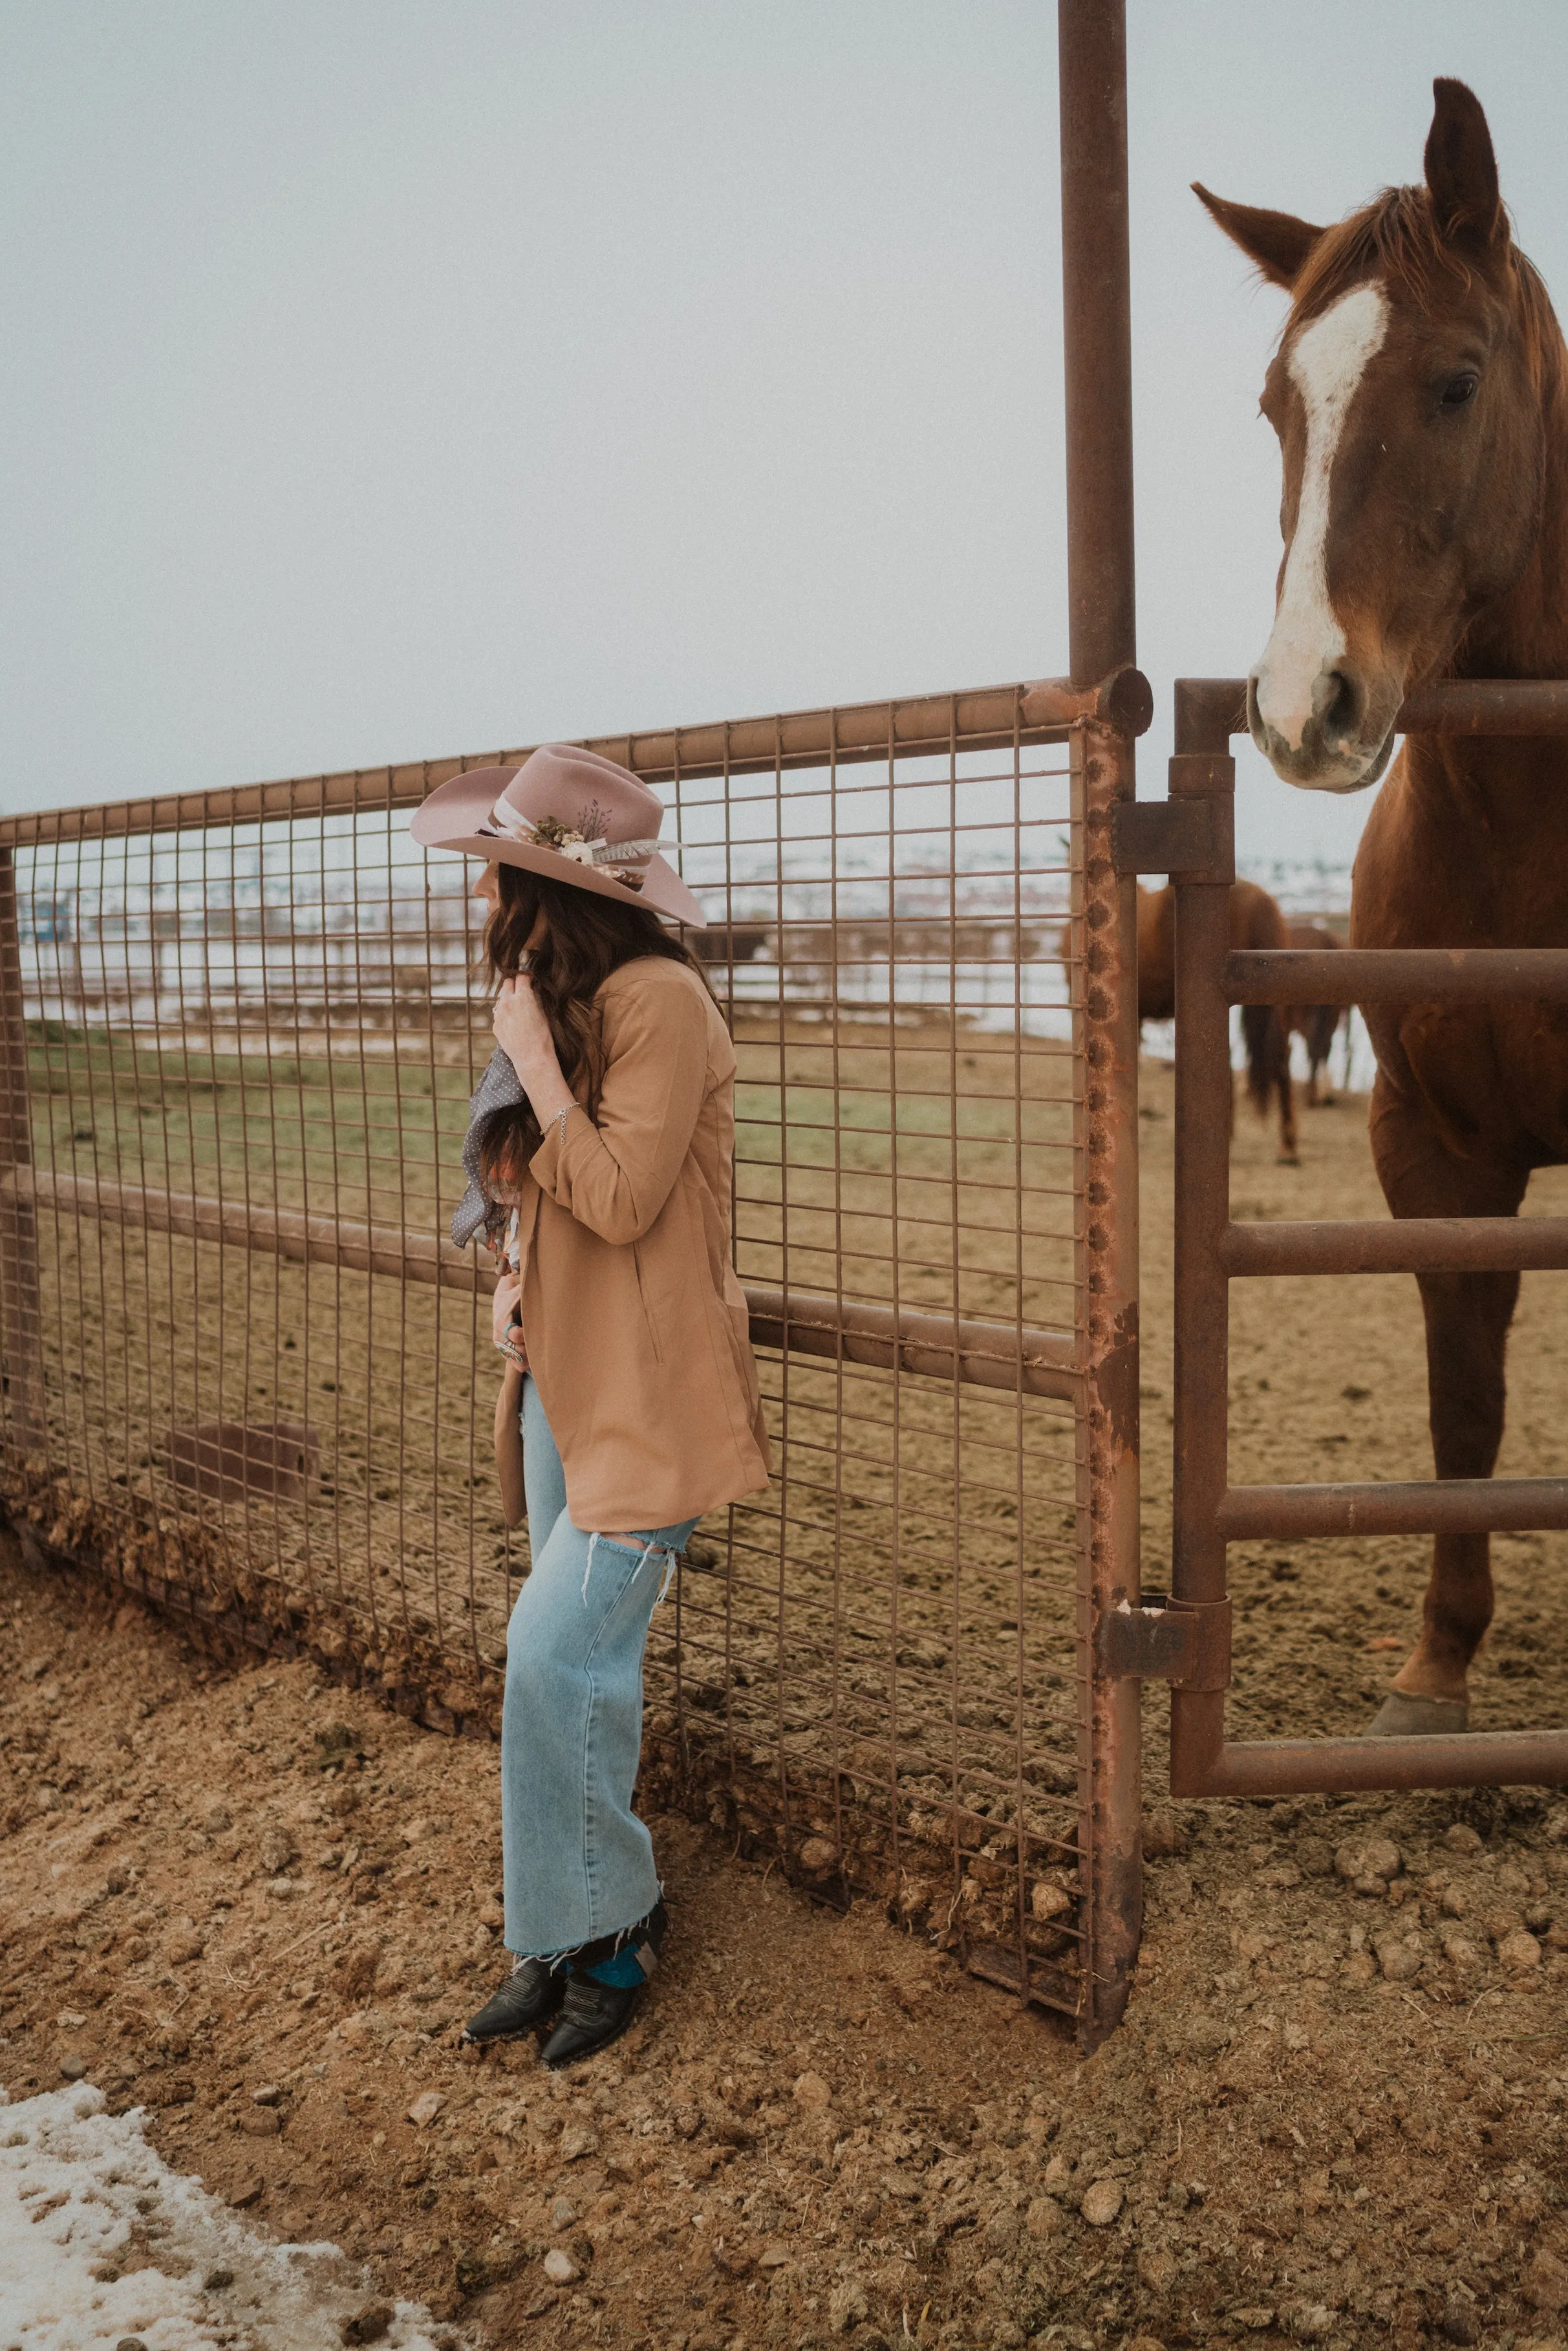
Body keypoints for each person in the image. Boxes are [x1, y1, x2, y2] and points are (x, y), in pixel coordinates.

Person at [411, 743, 771, 2068]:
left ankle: (615, 1930)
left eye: (501, 877)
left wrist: (533, 1064)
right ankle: (565, 1935)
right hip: (573, 1380)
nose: (485, 903)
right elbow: (542, 1190)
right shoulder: (572, 1005)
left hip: (654, 1400)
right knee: (585, 1675)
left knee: (550, 1657)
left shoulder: (661, 1003)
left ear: (548, 892)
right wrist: (513, 1276)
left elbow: (618, 1190)